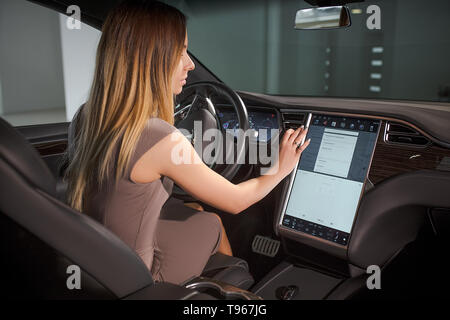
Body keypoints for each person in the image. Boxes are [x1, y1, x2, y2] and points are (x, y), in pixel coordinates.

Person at [65, 0, 310, 285]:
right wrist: (280, 168)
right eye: (181, 51)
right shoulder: (159, 137)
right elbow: (235, 200)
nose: (190, 64)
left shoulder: (87, 115)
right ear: (151, 59)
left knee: (200, 213)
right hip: (139, 280)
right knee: (215, 221)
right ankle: (237, 288)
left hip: (103, 259)